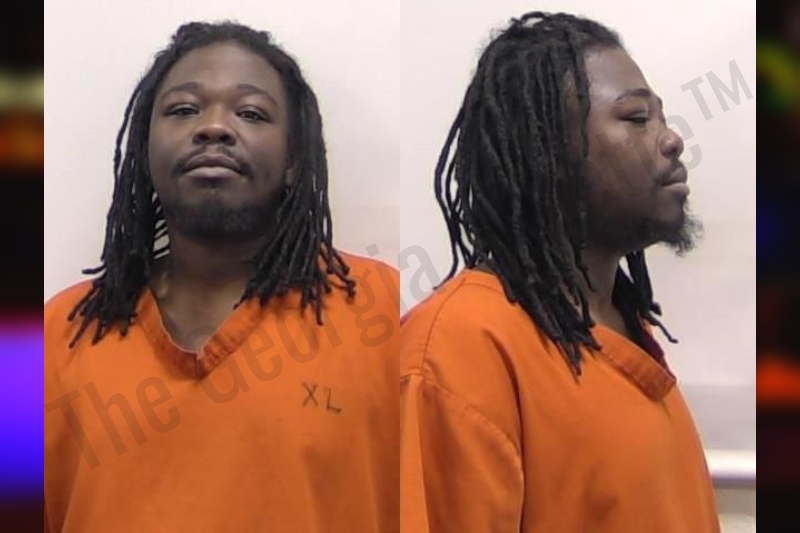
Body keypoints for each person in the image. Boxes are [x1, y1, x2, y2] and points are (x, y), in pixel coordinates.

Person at [44, 21, 398, 533]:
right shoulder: (48, 340)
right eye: (184, 109)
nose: (213, 127)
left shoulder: (381, 315)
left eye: (250, 113)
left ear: (294, 159)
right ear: (144, 148)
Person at [400, 12, 718, 532]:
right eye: (637, 118)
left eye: (661, 117)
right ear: (545, 148)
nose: (671, 140)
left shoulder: (623, 327)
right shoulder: (460, 347)